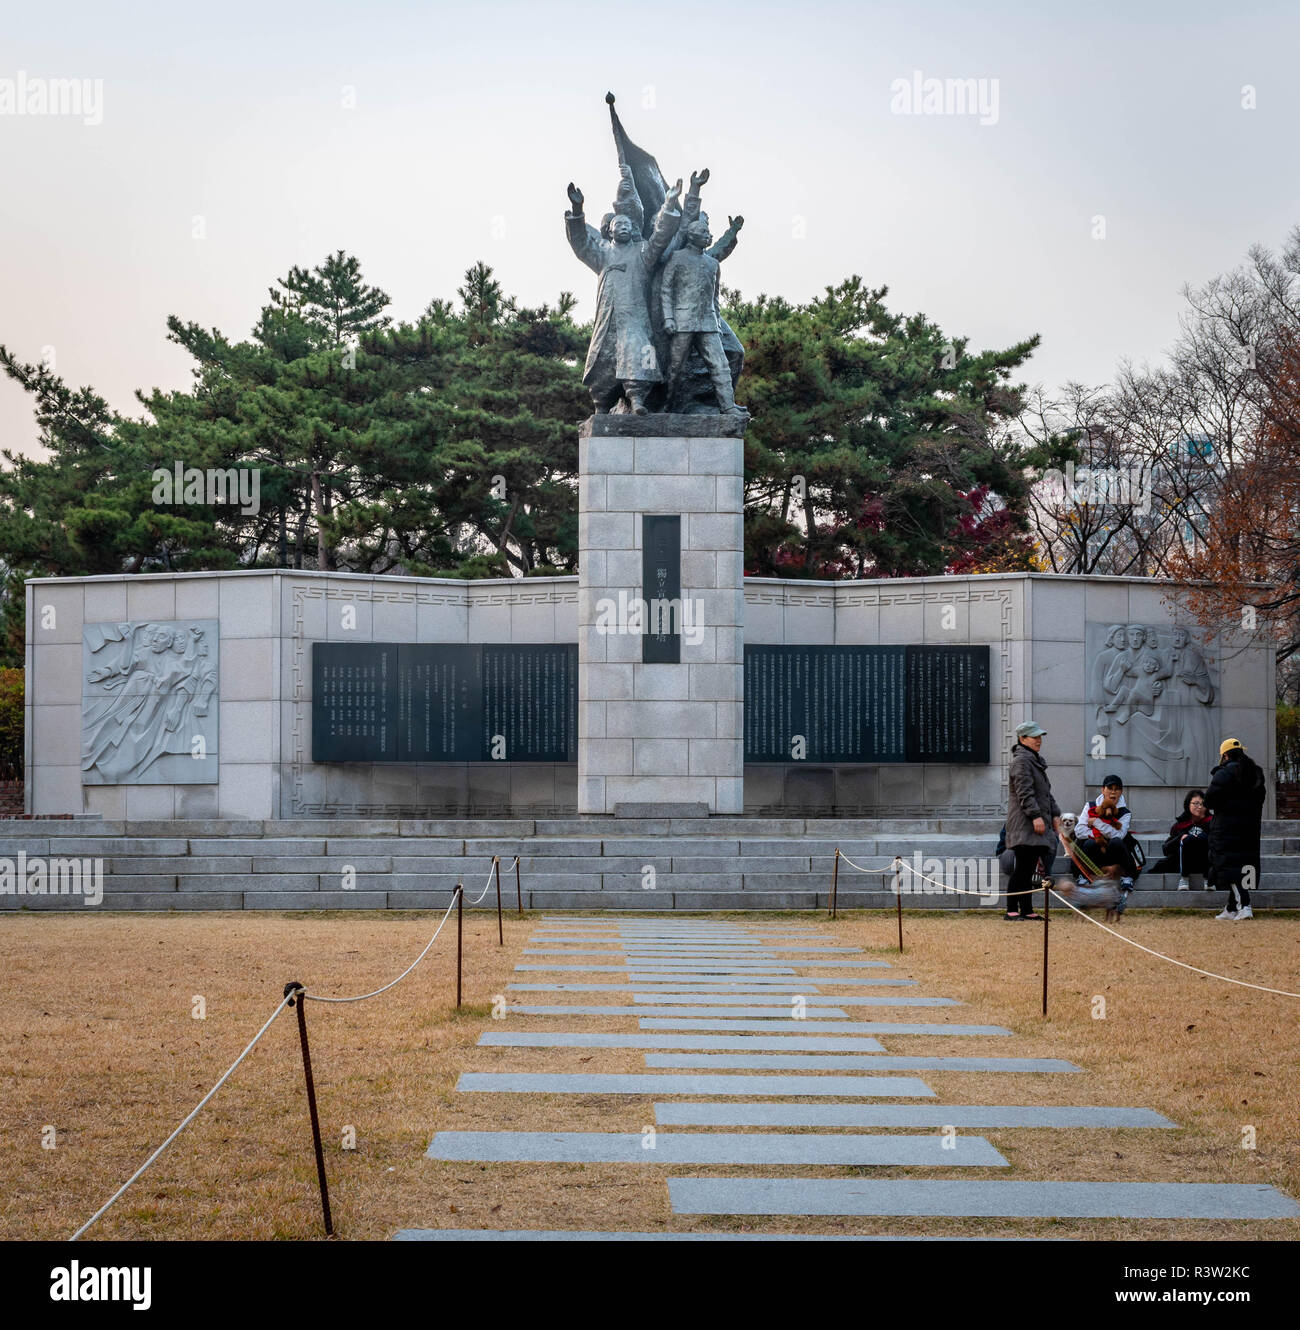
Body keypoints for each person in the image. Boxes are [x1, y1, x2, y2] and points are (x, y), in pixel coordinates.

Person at [1003, 720, 1060, 920]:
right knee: (1022, 869)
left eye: (1039, 737)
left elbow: (1046, 794)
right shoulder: (1021, 761)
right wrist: (1036, 816)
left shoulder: (1034, 761)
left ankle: (1026, 910)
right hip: (1024, 823)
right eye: (1034, 737)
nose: (1039, 740)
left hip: (1035, 824)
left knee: (1027, 870)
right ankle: (1012, 910)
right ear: (1022, 739)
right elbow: (1024, 793)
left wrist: (1055, 814)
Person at [1205, 738, 1266, 921]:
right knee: (1245, 865)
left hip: (1226, 828)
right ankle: (1231, 908)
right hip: (1250, 828)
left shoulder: (1223, 773)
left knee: (1229, 866)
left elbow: (1209, 801)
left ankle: (1244, 905)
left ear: (1225, 755)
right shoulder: (1255, 773)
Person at [1070, 775, 1141, 914]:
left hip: (1114, 854)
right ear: (1103, 790)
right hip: (1095, 850)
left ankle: (1125, 876)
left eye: (1117, 789)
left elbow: (1119, 834)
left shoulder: (1125, 813)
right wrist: (1098, 836)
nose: (1113, 792)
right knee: (1089, 843)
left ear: (1121, 792)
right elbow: (1079, 831)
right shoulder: (1090, 806)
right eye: (1110, 788)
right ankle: (1085, 876)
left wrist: (1096, 823)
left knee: (1117, 842)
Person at [1148, 791, 1213, 890]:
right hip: (1184, 861)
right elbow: (1166, 849)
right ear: (1188, 804)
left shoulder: (1212, 822)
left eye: (1202, 804)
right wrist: (1180, 838)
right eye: (1196, 803)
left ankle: (1208, 880)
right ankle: (1184, 879)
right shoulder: (1180, 825)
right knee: (1188, 839)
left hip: (1205, 861)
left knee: (1204, 838)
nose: (1199, 807)